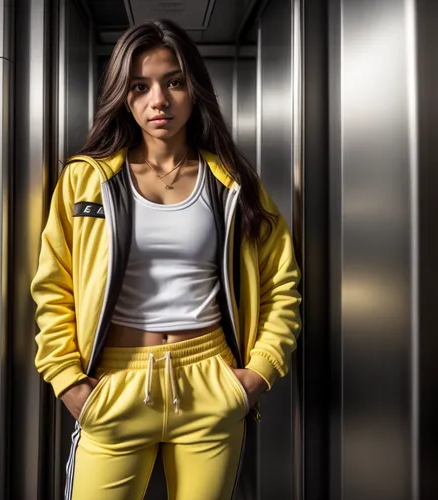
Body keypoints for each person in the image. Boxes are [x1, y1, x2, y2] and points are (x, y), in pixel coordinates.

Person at [31, 18, 301, 500]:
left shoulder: (232, 181)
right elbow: (54, 286)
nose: (159, 100)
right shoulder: (85, 179)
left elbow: (280, 280)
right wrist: (68, 381)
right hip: (114, 384)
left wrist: (258, 373)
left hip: (211, 382)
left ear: (193, 88)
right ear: (123, 94)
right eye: (140, 86)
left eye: (173, 82)